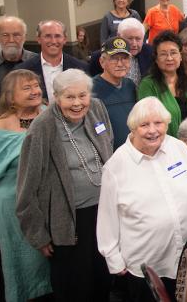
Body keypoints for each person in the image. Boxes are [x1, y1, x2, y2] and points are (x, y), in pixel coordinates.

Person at [97, 97, 187, 302]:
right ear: (133, 128)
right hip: (147, 265)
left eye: (158, 123)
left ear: (167, 124)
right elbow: (107, 219)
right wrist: (114, 259)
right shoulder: (116, 167)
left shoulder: (179, 148)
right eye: (144, 125)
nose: (152, 131)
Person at [16, 69, 113, 302]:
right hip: (68, 221)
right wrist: (38, 235)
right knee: (74, 284)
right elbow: (26, 188)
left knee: (102, 277)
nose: (78, 103)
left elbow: (108, 144)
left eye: (83, 95)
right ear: (56, 97)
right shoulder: (42, 128)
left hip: (104, 214)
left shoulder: (97, 108)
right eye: (70, 97)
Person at [0, 70, 52, 301]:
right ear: (10, 96)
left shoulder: (48, 114)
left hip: (47, 198)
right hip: (13, 200)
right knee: (24, 258)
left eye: (36, 86)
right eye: (27, 88)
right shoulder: (0, 128)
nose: (35, 91)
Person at [138, 31, 187, 137]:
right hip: (163, 148)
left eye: (173, 52)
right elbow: (147, 122)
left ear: (180, 56)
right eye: (163, 54)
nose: (169, 58)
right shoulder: (148, 85)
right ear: (156, 59)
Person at [17, 20, 88, 103]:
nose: (53, 41)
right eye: (47, 36)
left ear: (65, 39)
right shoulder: (23, 70)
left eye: (58, 36)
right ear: (38, 39)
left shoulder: (81, 68)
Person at [92, 37, 137, 149]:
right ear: (102, 62)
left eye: (125, 58)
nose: (120, 64)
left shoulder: (130, 85)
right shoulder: (91, 88)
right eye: (114, 59)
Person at [88, 16, 154, 86]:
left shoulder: (150, 52)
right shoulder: (99, 57)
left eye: (138, 39)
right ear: (118, 36)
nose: (134, 44)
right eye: (130, 38)